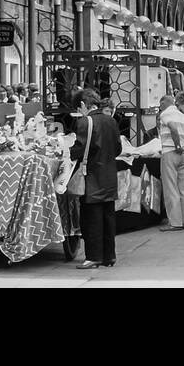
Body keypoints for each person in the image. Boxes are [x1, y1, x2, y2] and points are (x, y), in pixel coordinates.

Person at [70, 86, 122, 268]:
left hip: (91, 176)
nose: (79, 112)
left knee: (91, 218)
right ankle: (109, 256)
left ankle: (93, 256)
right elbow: (118, 149)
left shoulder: (85, 122)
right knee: (108, 217)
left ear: (84, 104)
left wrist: (64, 150)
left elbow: (79, 149)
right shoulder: (111, 121)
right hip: (109, 175)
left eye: (79, 109)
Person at [158, 95, 184, 231]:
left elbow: (172, 127)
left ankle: (175, 222)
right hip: (183, 154)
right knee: (183, 188)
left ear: (164, 103)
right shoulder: (182, 116)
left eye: (160, 103)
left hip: (170, 152)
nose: (159, 106)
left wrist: (176, 145)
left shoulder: (166, 114)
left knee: (171, 188)